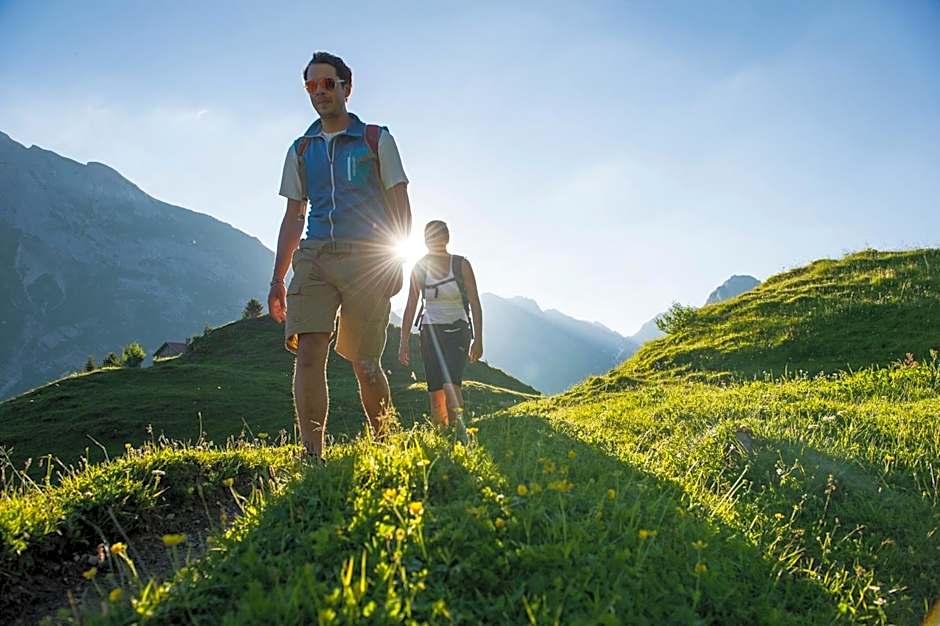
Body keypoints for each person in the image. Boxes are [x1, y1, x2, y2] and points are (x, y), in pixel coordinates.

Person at [268, 51, 412, 462]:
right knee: (308, 353)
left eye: (327, 84)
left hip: (367, 259)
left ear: (347, 88)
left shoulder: (376, 139)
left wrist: (398, 260)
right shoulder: (301, 149)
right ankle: (312, 456)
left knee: (365, 364)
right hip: (314, 257)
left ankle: (385, 444)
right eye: (311, 86)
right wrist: (277, 279)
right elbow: (294, 216)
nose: (319, 92)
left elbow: (399, 204)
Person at [399, 221, 483, 442]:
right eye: (431, 237)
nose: (435, 241)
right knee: (435, 390)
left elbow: (475, 302)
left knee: (451, 384)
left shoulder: (461, 264)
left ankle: (459, 436)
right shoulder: (419, 268)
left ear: (447, 239)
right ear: (425, 241)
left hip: (458, 330)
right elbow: (410, 305)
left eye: (439, 236)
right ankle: (442, 437)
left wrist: (479, 340)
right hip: (430, 332)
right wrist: (403, 341)